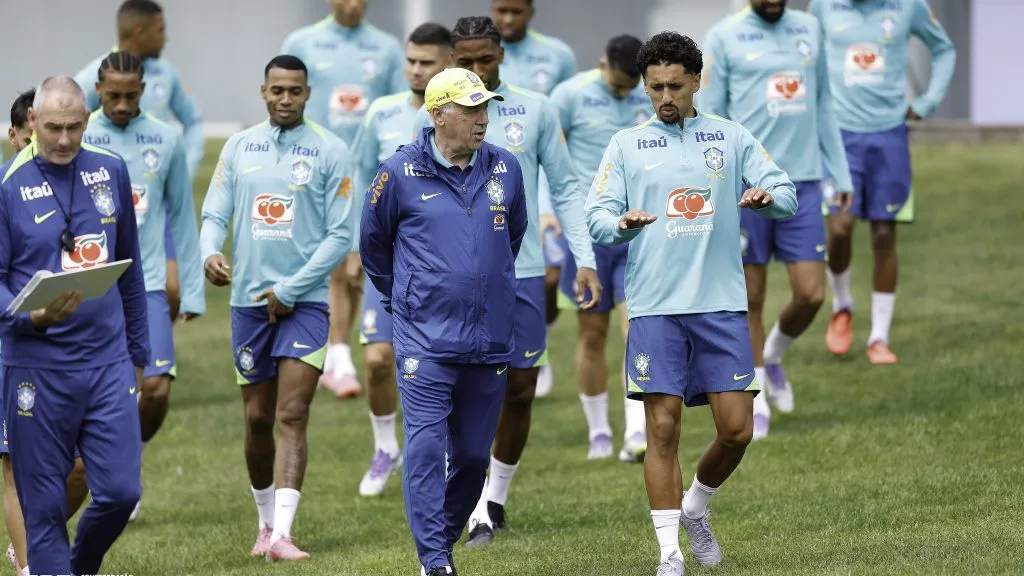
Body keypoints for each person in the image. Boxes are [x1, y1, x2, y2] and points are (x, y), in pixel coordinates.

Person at [585, 32, 797, 574]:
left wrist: (765, 197)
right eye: (654, 87)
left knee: (737, 430)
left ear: (697, 81)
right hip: (654, 308)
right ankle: (670, 555)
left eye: (675, 86)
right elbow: (597, 218)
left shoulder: (730, 138)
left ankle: (696, 507)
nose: (664, 98)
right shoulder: (627, 146)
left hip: (721, 306)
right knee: (662, 429)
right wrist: (620, 224)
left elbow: (787, 194)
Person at [410, 16, 601, 547]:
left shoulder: (537, 111)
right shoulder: (433, 118)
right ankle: (470, 506)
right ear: (452, 60)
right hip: (452, 282)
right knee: (457, 392)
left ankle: (494, 497)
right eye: (464, 61)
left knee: (519, 389)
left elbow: (564, 187)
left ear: (501, 55)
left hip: (522, 273)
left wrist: (582, 257)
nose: (476, 69)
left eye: (484, 60)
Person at [361, 66, 527, 576]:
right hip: (424, 340)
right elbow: (374, 248)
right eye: (472, 110)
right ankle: (434, 561)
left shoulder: (506, 168)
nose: (483, 120)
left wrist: (486, 289)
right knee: (427, 447)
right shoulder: (397, 173)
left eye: (486, 109)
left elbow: (511, 237)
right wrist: (409, 299)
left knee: (475, 457)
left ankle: (440, 540)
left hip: (489, 337)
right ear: (438, 115)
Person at [200, 55, 355, 561]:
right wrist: (210, 252)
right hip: (248, 305)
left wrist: (292, 288)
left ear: (308, 93)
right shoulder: (240, 147)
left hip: (304, 304)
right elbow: (214, 211)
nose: (285, 99)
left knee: (292, 412)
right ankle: (264, 525)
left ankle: (284, 534)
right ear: (263, 92)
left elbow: (339, 235)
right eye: (276, 91)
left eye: (295, 91)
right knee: (256, 420)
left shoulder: (331, 151)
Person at [0, 76, 149, 576]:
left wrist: (138, 351)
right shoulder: (8, 187)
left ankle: (80, 565)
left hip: (106, 362)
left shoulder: (110, 171)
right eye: (53, 128)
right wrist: (30, 314)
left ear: (88, 121)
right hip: (36, 369)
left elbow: (129, 265)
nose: (64, 140)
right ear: (30, 125)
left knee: (121, 492)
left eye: (75, 128)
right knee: (42, 510)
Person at [701, 0, 854, 439]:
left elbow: (824, 103)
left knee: (810, 294)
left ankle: (772, 354)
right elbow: (713, 118)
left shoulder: (809, 28)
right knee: (751, 295)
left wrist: (838, 172)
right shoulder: (725, 36)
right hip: (745, 187)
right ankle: (759, 396)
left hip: (802, 183)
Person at [85, 51, 206, 517]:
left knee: (155, 390)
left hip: (147, 282)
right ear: (98, 90)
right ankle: (105, 471)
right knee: (93, 388)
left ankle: (123, 461)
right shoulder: (80, 134)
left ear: (143, 91)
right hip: (90, 282)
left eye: (130, 96)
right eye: (112, 96)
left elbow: (181, 216)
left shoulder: (165, 137)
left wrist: (191, 289)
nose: (120, 104)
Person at [809, 0, 955, 363]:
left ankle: (878, 337)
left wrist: (928, 101)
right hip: (840, 136)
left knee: (884, 234)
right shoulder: (823, 7)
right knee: (840, 228)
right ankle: (842, 305)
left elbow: (944, 48)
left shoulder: (908, 7)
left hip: (889, 138)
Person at [281, 0, 405, 399]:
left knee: (357, 260)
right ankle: (337, 355)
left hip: (367, 170)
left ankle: (339, 354)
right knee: (333, 261)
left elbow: (393, 112)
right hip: (315, 168)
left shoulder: (385, 48)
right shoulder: (303, 41)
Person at [348, 22, 451, 497]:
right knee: (376, 360)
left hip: (440, 265)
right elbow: (360, 178)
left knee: (440, 360)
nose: (415, 69)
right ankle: (386, 447)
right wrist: (355, 246)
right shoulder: (382, 112)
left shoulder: (456, 119)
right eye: (411, 60)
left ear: (448, 64)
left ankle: (439, 449)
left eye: (426, 62)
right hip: (388, 261)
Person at [74, 0, 205, 353]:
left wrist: (184, 168)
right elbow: (60, 122)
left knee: (171, 289)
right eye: (160, 29)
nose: (166, 37)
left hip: (152, 197)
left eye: (130, 95)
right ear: (139, 31)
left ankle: (153, 344)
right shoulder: (90, 77)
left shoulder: (166, 74)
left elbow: (193, 122)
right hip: (104, 209)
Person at [547, 35, 652, 461]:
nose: (625, 93)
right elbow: (545, 156)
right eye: (619, 84)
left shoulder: (651, 96)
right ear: (602, 62)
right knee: (593, 332)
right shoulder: (570, 95)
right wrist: (545, 211)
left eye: (633, 86)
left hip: (640, 230)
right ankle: (598, 433)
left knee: (637, 329)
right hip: (588, 231)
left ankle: (635, 433)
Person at [1, 88, 90, 576]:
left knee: (80, 467)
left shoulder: (77, 187)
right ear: (19, 133)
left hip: (67, 348)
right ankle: (30, 566)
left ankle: (36, 544)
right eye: (31, 134)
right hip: (9, 347)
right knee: (14, 463)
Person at [490, 0, 579, 397]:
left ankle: (535, 338)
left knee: (554, 275)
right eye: (500, 10)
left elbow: (558, 140)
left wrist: (548, 206)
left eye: (515, 11)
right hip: (502, 192)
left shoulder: (558, 56)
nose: (507, 19)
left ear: (531, 11)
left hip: (543, 183)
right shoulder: (481, 54)